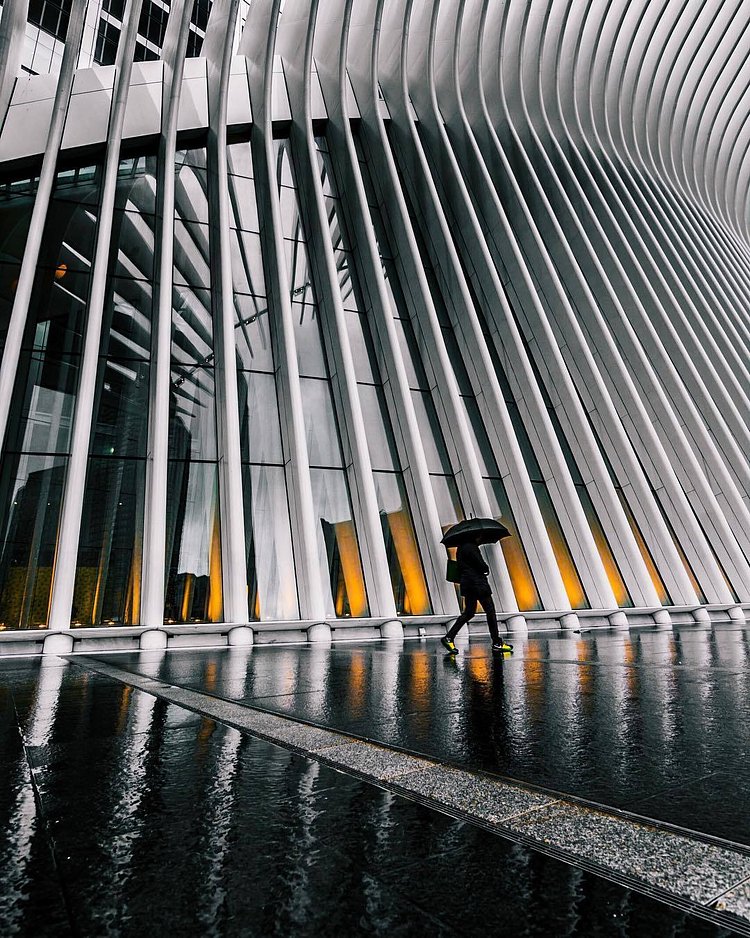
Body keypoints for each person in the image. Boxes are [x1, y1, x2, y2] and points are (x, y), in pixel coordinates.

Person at [441, 536, 513, 655]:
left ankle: (449, 637)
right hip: (478, 584)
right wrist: (485, 568)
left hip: (467, 584)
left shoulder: (461, 548)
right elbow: (481, 565)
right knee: (490, 611)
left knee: (469, 613)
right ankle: (496, 642)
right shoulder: (472, 547)